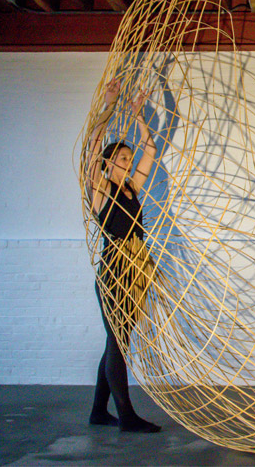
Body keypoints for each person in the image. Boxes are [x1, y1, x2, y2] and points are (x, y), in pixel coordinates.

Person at [85, 78, 161, 433]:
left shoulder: (131, 187)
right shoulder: (101, 188)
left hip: (137, 265)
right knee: (117, 340)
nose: (129, 163)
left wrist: (139, 114)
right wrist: (110, 103)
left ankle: (98, 412)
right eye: (123, 158)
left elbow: (151, 149)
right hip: (115, 268)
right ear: (109, 162)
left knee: (117, 339)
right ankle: (126, 416)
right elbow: (92, 147)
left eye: (130, 158)